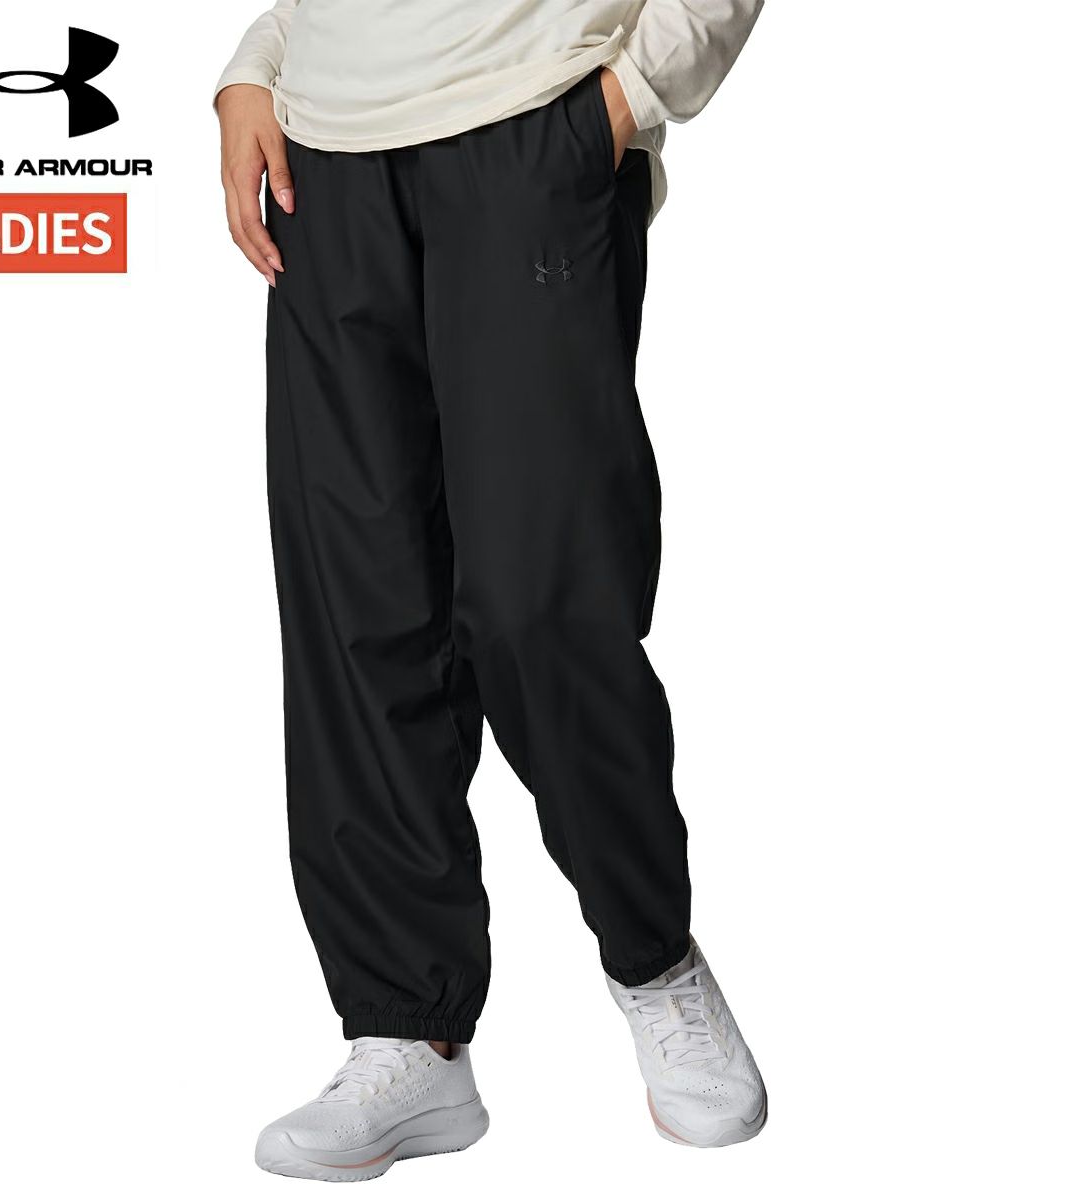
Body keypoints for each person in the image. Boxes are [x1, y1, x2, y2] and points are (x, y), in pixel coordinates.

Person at [215, 1, 766, 1179]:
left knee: (542, 600)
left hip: (532, 122)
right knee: (359, 610)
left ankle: (654, 958)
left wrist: (632, 93)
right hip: (327, 158)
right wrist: (254, 70)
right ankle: (405, 1029)